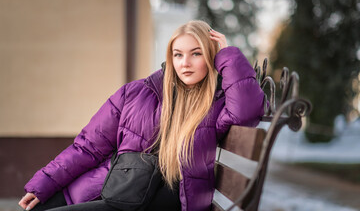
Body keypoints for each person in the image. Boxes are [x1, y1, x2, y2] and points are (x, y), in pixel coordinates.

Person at [19, 20, 265, 211]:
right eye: (178, 54)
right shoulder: (136, 93)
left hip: (154, 200)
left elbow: (247, 112)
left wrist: (228, 55)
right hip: (113, 189)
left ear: (211, 56)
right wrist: (44, 184)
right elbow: (87, 147)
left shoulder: (215, 105)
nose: (185, 63)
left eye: (196, 53)